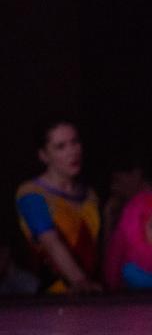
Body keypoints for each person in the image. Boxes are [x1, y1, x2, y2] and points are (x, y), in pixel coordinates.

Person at [15, 118, 103, 294]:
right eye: (61, 147)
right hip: (54, 296)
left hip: (93, 292)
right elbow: (50, 241)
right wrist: (80, 281)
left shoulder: (90, 195)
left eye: (74, 142)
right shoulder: (31, 193)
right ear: (43, 155)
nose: (72, 152)